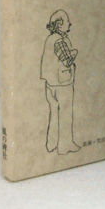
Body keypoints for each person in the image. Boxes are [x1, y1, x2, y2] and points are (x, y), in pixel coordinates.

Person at [40, 10, 80, 155]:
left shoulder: (50, 39)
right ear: (59, 24)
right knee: (65, 114)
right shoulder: (59, 41)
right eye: (67, 21)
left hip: (50, 84)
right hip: (62, 83)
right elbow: (67, 60)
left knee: (54, 114)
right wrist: (74, 53)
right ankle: (65, 146)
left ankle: (51, 144)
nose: (70, 24)